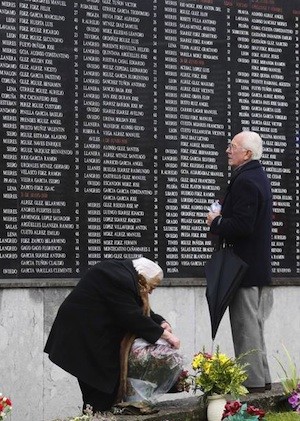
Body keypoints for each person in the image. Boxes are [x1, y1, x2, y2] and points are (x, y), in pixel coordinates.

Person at [44, 257, 180, 412]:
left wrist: (161, 322)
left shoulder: (125, 275)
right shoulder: (119, 278)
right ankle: (95, 414)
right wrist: (167, 336)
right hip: (82, 340)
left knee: (106, 390)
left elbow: (134, 307)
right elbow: (131, 316)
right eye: (152, 286)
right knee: (100, 391)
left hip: (93, 339)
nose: (151, 291)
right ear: (142, 278)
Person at [206, 131, 273, 393]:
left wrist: (217, 222)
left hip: (243, 270)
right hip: (256, 269)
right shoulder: (258, 176)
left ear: (246, 153)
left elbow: (244, 226)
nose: (227, 150)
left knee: (246, 329)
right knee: (254, 329)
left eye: (232, 146)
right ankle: (262, 379)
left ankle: (252, 385)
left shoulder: (245, 181)